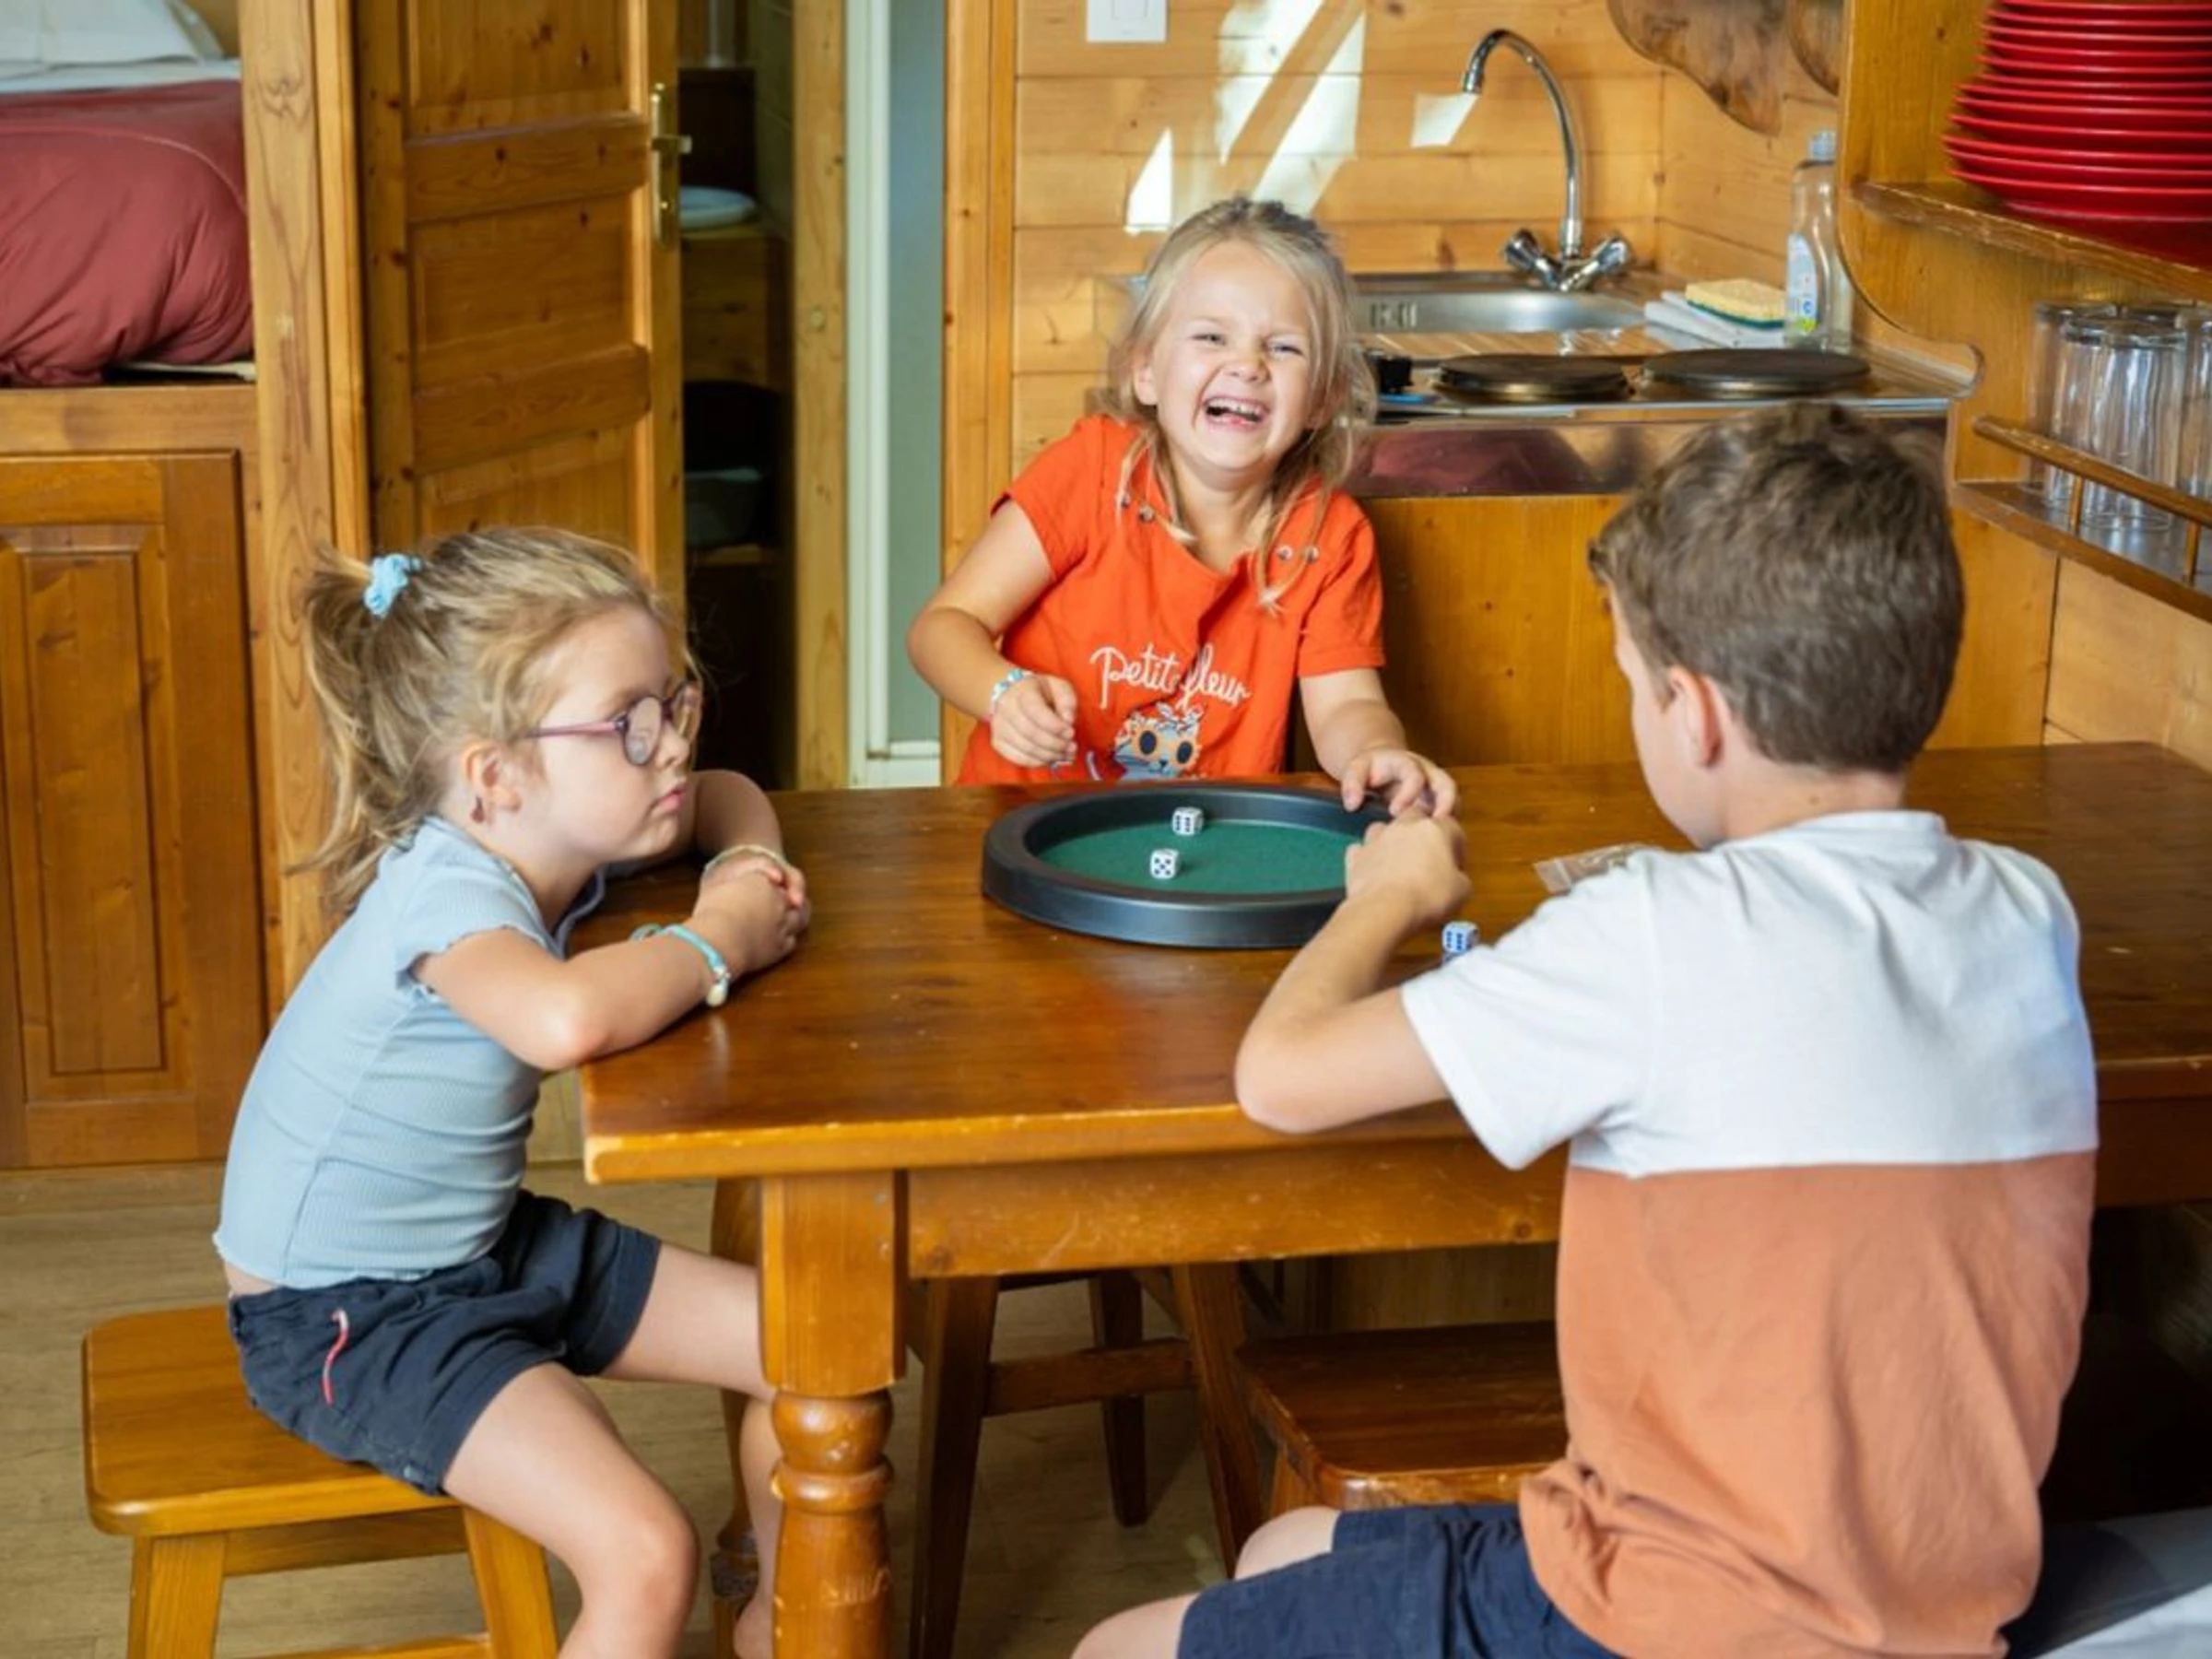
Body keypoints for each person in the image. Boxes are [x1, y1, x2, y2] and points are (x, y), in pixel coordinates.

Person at [1076, 403, 2100, 1659]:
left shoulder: (1653, 930)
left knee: (1110, 1649)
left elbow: (1280, 1078)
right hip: (1934, 1607)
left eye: (1629, 684)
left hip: (1671, 1619)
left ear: (1694, 714)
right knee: (1285, 1547)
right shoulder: (2029, 911)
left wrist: (1385, 897)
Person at [213, 529, 809, 1659]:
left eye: (674, 702)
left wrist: (740, 868)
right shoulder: (447, 892)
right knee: (646, 1553)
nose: (674, 746)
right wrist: (721, 937)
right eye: (631, 723)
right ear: (494, 777)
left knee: (806, 1344)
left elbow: (730, 795)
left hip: (480, 1247)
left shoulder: (564, 821)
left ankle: (780, 1622)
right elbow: (564, 1020)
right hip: (346, 1313)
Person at [908, 194, 1454, 817]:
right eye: (1212, 337)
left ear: (1323, 398)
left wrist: (1377, 752)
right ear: (1145, 371)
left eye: (1283, 348)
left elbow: (1347, 705)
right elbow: (942, 626)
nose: (1247, 365)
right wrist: (1001, 692)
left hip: (1203, 846)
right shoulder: (1091, 473)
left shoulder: (1330, 536)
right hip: (1023, 826)